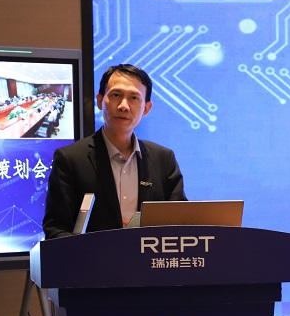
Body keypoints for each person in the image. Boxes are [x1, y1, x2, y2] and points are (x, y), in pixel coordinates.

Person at [42, 63, 186, 238]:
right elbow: (56, 229)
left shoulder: (163, 159)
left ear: (146, 108)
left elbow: (181, 224)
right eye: (116, 95)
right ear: (100, 101)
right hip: (93, 256)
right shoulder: (70, 159)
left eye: (134, 98)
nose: (124, 106)